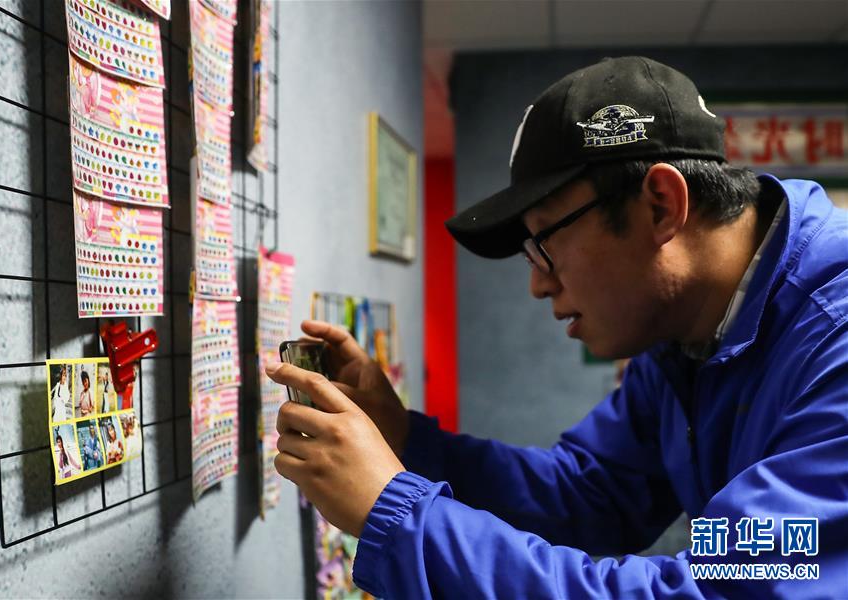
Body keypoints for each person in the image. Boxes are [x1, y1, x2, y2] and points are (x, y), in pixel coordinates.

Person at [266, 56, 848, 598]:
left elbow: (716, 589)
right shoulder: (683, 329)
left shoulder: (834, 339)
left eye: (543, 244)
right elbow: (588, 494)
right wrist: (400, 437)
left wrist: (396, 515)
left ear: (661, 206)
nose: (538, 285)